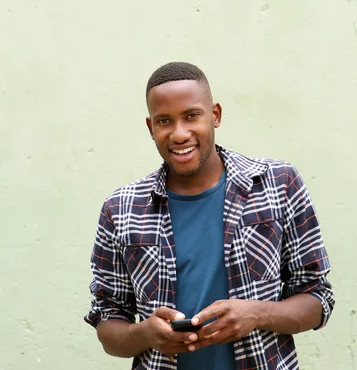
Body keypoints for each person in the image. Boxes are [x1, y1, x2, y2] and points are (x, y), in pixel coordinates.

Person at [84, 61, 335, 370]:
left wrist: (256, 314)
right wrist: (146, 334)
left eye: (191, 116)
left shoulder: (278, 183)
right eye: (164, 121)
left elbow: (317, 298)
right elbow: (109, 325)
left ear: (214, 115)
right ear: (151, 128)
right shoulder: (120, 209)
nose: (179, 134)